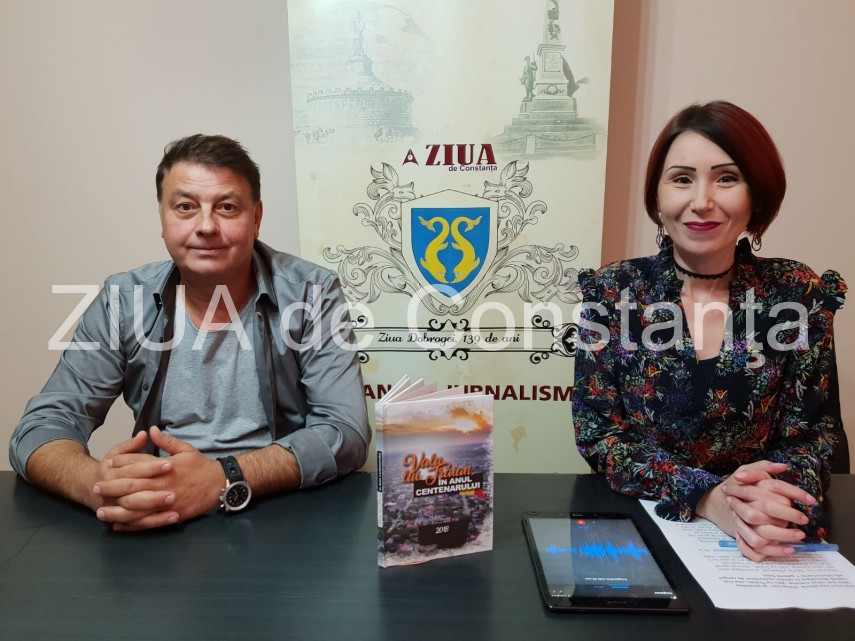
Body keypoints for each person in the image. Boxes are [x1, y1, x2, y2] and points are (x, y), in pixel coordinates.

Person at [9, 134, 370, 531]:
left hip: (278, 512)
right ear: (162, 218)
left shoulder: (310, 292)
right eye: (185, 207)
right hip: (159, 512)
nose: (206, 226)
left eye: (227, 207)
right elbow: (42, 426)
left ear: (256, 218)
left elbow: (345, 431)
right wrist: (99, 486)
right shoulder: (123, 301)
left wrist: (221, 478)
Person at [573, 101, 847, 562]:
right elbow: (600, 436)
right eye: (682, 179)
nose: (701, 201)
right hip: (643, 530)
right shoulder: (614, 290)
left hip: (762, 533)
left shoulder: (796, 292)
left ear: (756, 195)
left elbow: (813, 437)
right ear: (657, 198)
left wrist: (760, 504)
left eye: (727, 178)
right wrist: (707, 496)